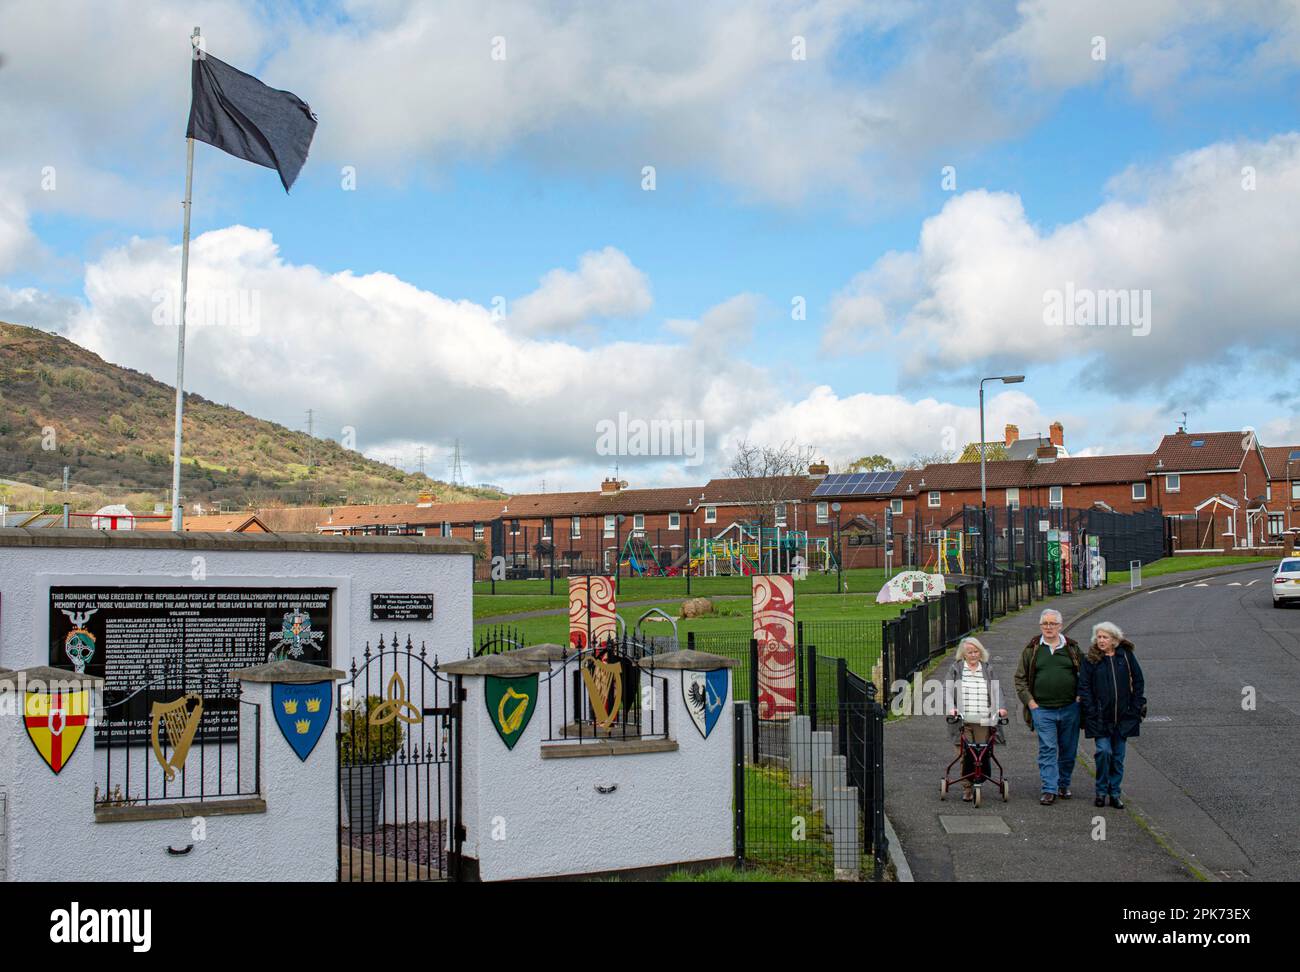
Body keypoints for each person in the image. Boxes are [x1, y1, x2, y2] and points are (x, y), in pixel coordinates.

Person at [1014, 608, 1083, 805]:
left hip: (1070, 708)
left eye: (1053, 624)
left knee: (1068, 750)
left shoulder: (1072, 648)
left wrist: (1079, 697)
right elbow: (1020, 678)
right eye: (1045, 623)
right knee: (1048, 748)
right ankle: (1049, 789)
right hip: (1042, 709)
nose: (1049, 627)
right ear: (1040, 626)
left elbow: (1085, 675)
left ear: (1060, 626)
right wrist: (1031, 703)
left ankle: (1064, 784)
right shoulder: (1032, 649)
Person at [1078, 621, 1146, 809]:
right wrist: (1091, 709)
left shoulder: (1126, 656)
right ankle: (1101, 791)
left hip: (1123, 717)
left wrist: (1135, 706)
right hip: (1100, 717)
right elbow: (1084, 687)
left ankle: (1114, 792)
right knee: (1103, 752)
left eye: (1105, 637)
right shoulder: (1090, 659)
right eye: (1098, 637)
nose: (1101, 640)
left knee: (1118, 757)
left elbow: (1139, 681)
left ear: (1114, 640)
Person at [944, 637, 1007, 801]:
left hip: (984, 719)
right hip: (962, 720)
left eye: (976, 651)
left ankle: (978, 781)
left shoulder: (987, 668)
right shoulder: (956, 668)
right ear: (963, 654)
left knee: (982, 754)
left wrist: (1000, 707)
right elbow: (948, 690)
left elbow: (997, 689)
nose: (973, 655)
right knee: (965, 755)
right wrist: (952, 707)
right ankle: (967, 788)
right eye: (969, 652)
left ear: (981, 652)